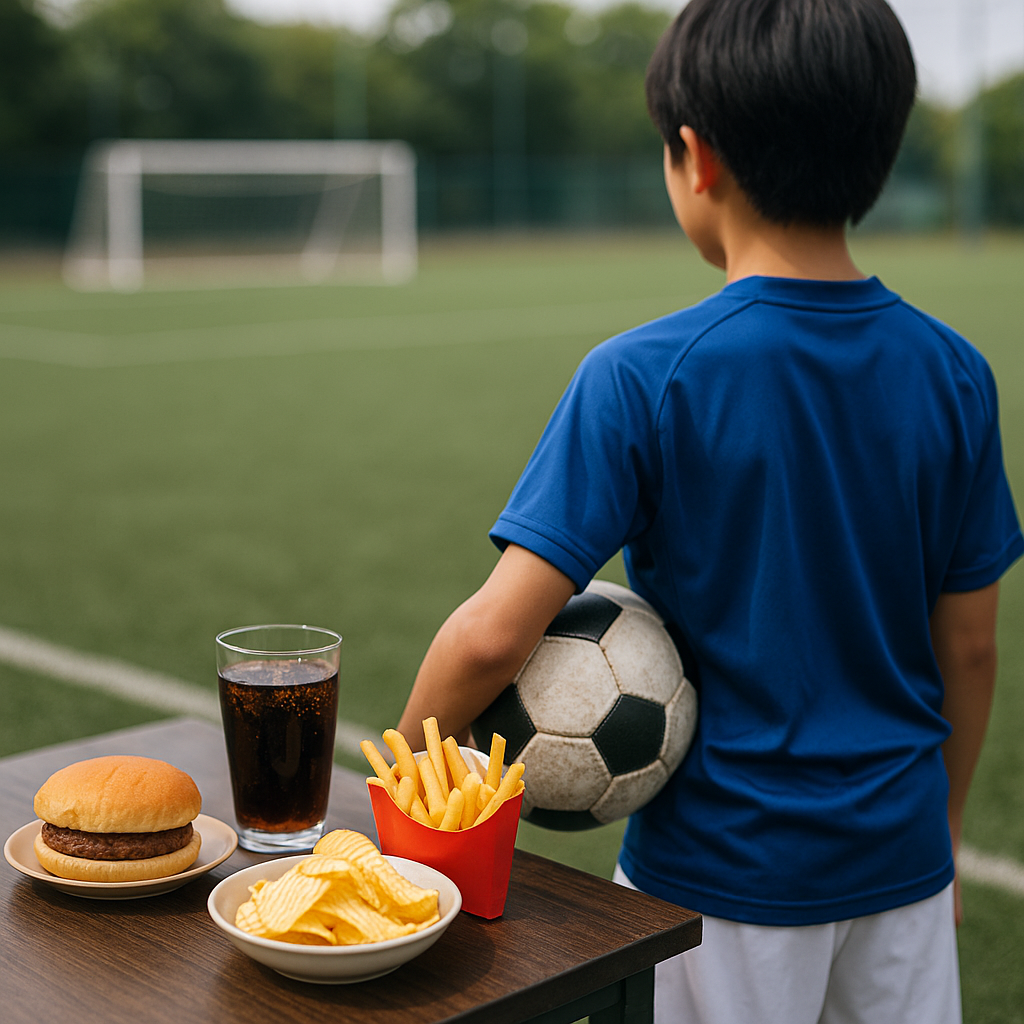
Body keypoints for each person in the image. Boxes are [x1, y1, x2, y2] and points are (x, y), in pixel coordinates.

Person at [397, 0, 1024, 1020]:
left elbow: (491, 636)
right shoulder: (957, 373)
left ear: (695, 157)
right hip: (903, 865)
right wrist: (944, 829)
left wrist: (403, 784)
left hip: (716, 883)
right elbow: (972, 651)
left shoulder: (640, 376)